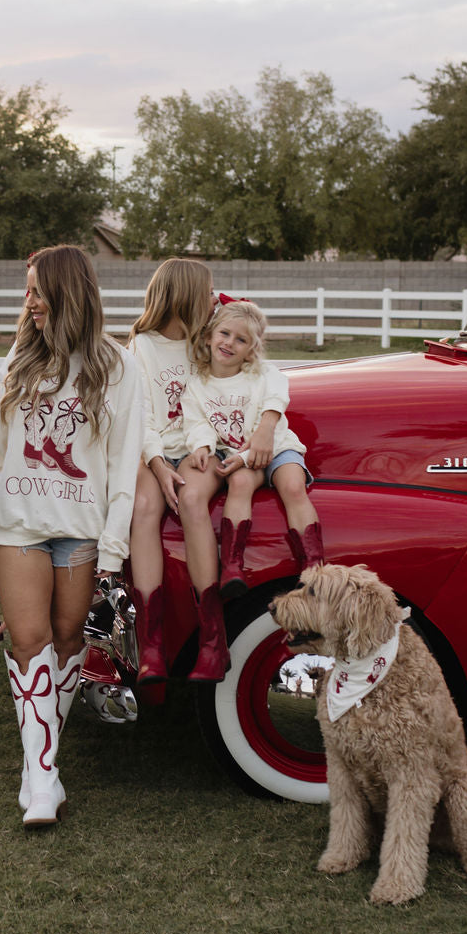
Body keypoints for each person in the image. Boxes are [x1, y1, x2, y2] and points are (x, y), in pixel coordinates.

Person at [0, 245, 145, 829]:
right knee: (29, 642)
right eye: (27, 291)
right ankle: (43, 781)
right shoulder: (21, 359)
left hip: (81, 529)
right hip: (19, 524)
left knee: (66, 643)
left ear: (67, 292)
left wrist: (112, 549)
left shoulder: (117, 367)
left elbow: (124, 462)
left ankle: (41, 767)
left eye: (37, 290)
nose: (28, 303)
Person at [181, 297, 325, 623]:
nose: (230, 343)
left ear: (252, 348)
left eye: (241, 339)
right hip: (240, 457)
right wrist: (202, 446)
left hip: (278, 447)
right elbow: (197, 423)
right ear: (208, 336)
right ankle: (233, 565)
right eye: (224, 334)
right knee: (240, 482)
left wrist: (265, 429)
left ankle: (313, 565)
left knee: (292, 484)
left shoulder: (263, 373)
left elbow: (277, 398)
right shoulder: (197, 386)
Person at [125, 257, 217, 684]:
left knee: (193, 504)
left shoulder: (208, 342)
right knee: (144, 505)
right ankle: (153, 645)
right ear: (184, 297)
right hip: (153, 448)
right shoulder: (142, 346)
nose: (212, 297)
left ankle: (212, 638)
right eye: (206, 291)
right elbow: (139, 416)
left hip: (199, 446)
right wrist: (159, 466)